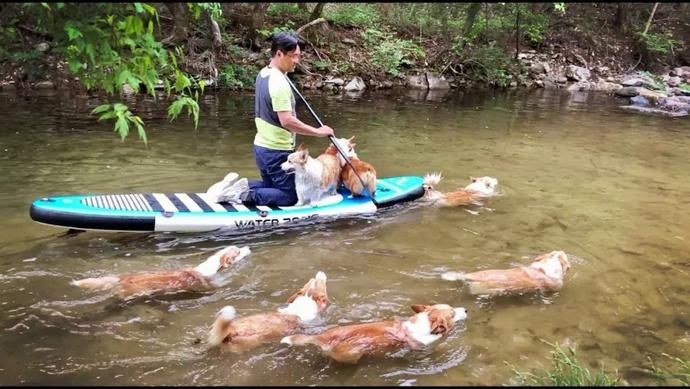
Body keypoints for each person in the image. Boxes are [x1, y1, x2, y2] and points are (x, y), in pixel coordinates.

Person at [217, 31, 334, 206]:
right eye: (293, 56)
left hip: (261, 148)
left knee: (270, 185)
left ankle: (242, 186)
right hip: (276, 151)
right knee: (290, 195)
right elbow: (287, 121)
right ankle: (240, 195)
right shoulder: (279, 83)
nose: (297, 61)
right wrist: (318, 132)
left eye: (298, 56)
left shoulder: (264, 73)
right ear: (279, 53)